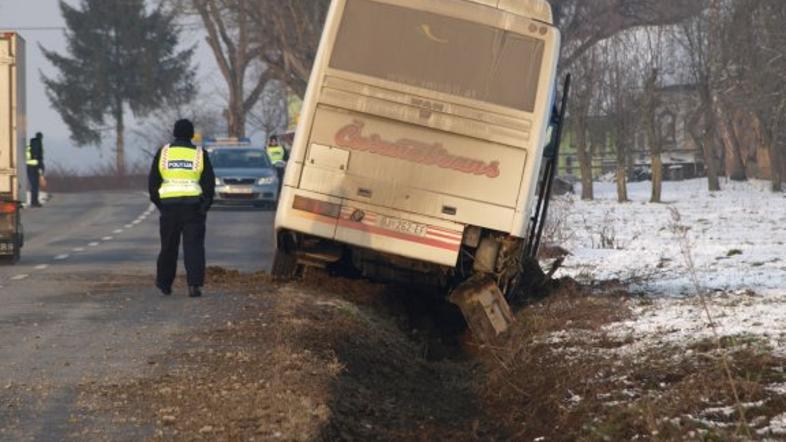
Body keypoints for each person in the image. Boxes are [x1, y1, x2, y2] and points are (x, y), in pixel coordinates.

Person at [148, 119, 215, 297]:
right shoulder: (200, 154)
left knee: (168, 246)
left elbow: (153, 182)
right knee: (194, 247)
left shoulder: (164, 153)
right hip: (193, 207)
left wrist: (160, 204)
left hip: (169, 208)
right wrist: (204, 207)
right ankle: (194, 285)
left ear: (175, 133)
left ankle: (164, 284)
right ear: (192, 134)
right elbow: (209, 184)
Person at [26, 132, 45, 207]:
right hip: (36, 166)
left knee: (33, 185)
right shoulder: (39, 144)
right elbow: (40, 159)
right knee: (35, 185)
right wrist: (41, 170)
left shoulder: (29, 145)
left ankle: (33, 202)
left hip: (29, 166)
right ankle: (34, 202)